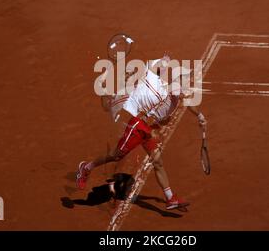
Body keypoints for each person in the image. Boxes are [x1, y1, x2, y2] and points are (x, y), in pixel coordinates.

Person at [75, 55, 206, 210]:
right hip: (137, 124)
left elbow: (172, 108)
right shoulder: (163, 85)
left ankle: (170, 198)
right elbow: (186, 99)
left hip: (147, 128)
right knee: (117, 155)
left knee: (157, 161)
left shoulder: (164, 87)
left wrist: (196, 117)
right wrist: (199, 116)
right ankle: (86, 168)